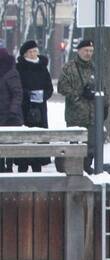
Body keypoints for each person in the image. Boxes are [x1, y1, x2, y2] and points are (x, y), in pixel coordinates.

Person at [57, 39, 96, 173]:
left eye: (91, 51)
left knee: (91, 143)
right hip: (75, 113)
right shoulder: (69, 67)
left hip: (92, 113)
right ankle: (74, 166)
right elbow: (62, 87)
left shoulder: (95, 68)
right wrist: (78, 96)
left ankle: (87, 165)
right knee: (75, 142)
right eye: (85, 50)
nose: (88, 53)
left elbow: (103, 87)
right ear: (79, 51)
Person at [15, 41, 53, 172]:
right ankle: (23, 164)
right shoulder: (19, 68)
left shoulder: (42, 67)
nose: (33, 54)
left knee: (39, 136)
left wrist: (43, 95)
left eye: (35, 51)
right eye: (30, 52)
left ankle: (38, 164)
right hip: (24, 108)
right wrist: (28, 94)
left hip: (40, 109)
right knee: (24, 138)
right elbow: (16, 87)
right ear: (25, 54)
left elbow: (49, 87)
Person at [0, 48, 22, 173]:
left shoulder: (10, 73)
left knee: (7, 144)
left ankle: (8, 167)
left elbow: (17, 93)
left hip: (9, 116)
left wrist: (12, 112)